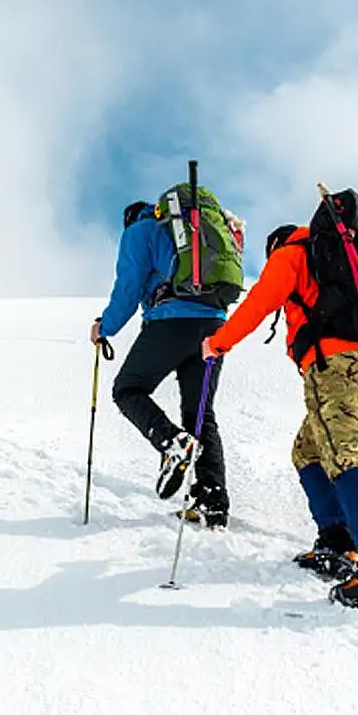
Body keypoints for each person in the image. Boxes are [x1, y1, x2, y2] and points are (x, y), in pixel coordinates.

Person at [200, 223, 358, 609]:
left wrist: (217, 343)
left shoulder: (293, 255)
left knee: (344, 456)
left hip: (330, 367)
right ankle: (338, 543)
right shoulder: (351, 262)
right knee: (308, 452)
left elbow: (259, 303)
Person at [90, 200, 229, 527]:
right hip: (214, 325)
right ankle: (213, 502)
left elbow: (129, 286)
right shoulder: (194, 232)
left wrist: (104, 327)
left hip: (170, 321)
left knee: (127, 389)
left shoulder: (140, 231)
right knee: (200, 414)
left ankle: (172, 442)